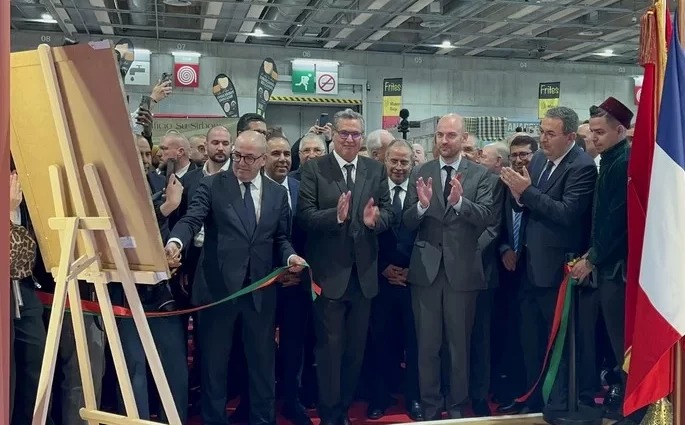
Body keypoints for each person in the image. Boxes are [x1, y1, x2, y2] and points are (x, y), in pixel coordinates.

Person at [165, 130, 306, 425]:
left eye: (249, 158)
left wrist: (290, 257)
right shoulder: (211, 185)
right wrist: (175, 243)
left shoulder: (277, 193)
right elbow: (191, 220)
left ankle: (262, 420)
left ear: (263, 160)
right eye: (237, 155)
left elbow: (280, 238)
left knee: (262, 366)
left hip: (260, 292)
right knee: (214, 367)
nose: (241, 162)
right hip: (218, 291)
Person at [297, 109, 394, 425]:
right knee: (329, 351)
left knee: (355, 352)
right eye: (344, 133)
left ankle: (343, 409)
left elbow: (388, 213)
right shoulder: (314, 169)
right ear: (333, 135)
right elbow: (304, 216)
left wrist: (375, 220)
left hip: (364, 278)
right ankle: (330, 416)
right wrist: (335, 217)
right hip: (329, 277)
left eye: (355, 134)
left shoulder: (375, 169)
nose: (350, 139)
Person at [403, 113, 502, 420]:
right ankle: (431, 408)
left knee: (460, 347)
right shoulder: (420, 171)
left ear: (463, 138)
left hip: (463, 272)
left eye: (451, 135)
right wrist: (421, 206)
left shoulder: (482, 175)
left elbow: (486, 216)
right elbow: (406, 221)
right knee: (427, 347)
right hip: (426, 271)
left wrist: (460, 203)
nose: (444, 140)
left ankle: (458, 408)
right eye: (440, 135)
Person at [499, 107, 597, 414]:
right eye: (541, 132)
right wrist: (518, 197)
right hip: (529, 265)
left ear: (570, 136)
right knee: (531, 339)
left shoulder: (582, 167)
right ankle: (534, 398)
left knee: (558, 343)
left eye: (550, 134)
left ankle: (560, 401)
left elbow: (567, 213)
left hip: (559, 270)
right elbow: (526, 206)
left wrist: (526, 192)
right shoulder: (539, 159)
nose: (542, 139)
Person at [573, 97, 632, 419]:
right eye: (592, 132)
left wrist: (593, 257)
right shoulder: (610, 159)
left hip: (616, 270)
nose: (593, 138)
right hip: (608, 266)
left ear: (620, 130)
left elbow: (616, 220)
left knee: (621, 341)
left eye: (599, 132)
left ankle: (632, 403)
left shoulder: (622, 162)